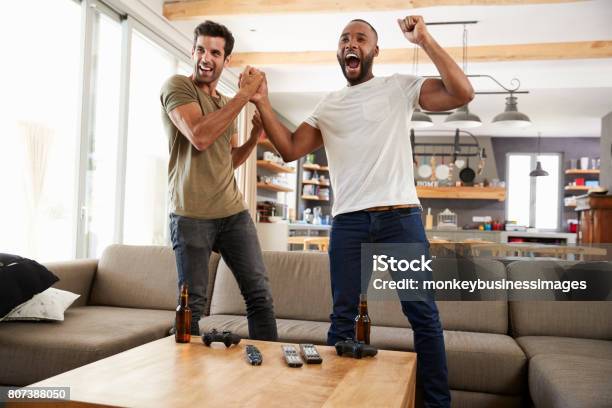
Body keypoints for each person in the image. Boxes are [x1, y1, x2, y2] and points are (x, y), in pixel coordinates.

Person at [246, 16, 473, 407]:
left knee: (422, 315)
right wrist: (263, 100)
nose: (352, 43)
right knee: (343, 319)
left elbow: (462, 92)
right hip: (349, 222)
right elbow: (289, 149)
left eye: (361, 38)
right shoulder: (329, 104)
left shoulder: (399, 87)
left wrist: (424, 40)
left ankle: (437, 404)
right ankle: (339, 398)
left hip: (399, 217)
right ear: (340, 52)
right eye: (345, 39)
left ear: (374, 51)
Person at [160, 20, 278, 340]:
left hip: (232, 213)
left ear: (227, 61)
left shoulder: (226, 104)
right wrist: (245, 94)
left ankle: (268, 377)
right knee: (192, 305)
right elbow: (199, 136)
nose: (206, 58)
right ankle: (185, 381)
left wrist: (255, 136)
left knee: (259, 296)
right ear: (193, 51)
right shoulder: (177, 87)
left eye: (215, 52)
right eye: (201, 49)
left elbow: (229, 160)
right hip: (191, 214)